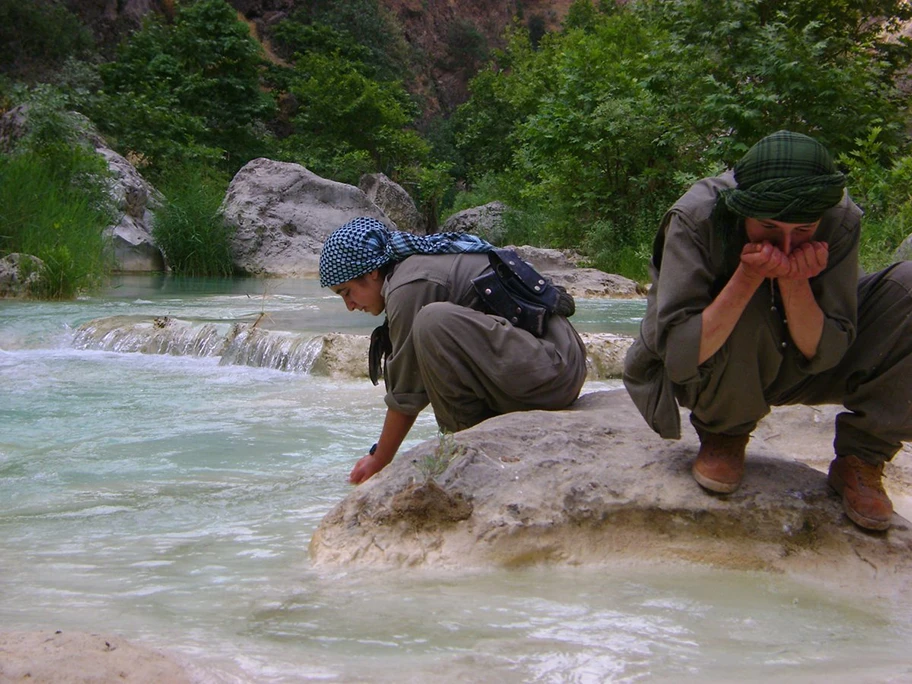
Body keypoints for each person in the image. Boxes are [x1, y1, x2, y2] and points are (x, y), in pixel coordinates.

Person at [623, 130, 912, 531]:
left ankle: (862, 457)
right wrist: (748, 276)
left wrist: (793, 283)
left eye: (805, 231)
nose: (787, 244)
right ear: (744, 210)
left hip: (804, 355)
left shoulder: (839, 216)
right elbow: (679, 354)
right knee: (750, 301)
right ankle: (725, 430)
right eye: (769, 228)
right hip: (712, 364)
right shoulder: (697, 216)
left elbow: (829, 350)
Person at [319, 216, 588, 484]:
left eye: (347, 292)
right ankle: (471, 438)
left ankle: (465, 446)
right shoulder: (412, 270)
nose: (350, 306)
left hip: (553, 371)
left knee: (432, 322)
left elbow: (407, 392)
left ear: (371, 272)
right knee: (432, 326)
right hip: (552, 365)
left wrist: (379, 460)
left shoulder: (408, 285)